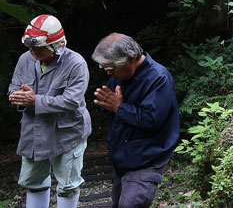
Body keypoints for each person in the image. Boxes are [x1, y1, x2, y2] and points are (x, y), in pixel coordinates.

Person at [9, 15, 91, 208]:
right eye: (29, 46)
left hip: (67, 133)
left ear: (56, 44)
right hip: (34, 131)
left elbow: (71, 101)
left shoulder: (76, 63)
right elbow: (13, 86)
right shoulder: (25, 59)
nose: (32, 51)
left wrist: (34, 100)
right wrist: (17, 97)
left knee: (68, 185)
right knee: (33, 182)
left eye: (38, 46)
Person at [92, 33, 180, 208]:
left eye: (111, 68)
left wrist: (119, 108)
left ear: (130, 60)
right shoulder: (119, 73)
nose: (109, 73)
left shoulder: (158, 78)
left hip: (147, 157)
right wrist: (108, 105)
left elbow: (151, 120)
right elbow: (109, 105)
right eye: (105, 69)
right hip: (123, 156)